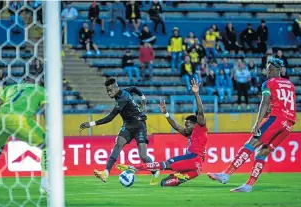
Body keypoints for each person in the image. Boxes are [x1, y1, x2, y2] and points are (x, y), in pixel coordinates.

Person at [208, 57, 296, 192]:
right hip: (288, 123)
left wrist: (257, 123)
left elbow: (265, 103)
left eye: (267, 69)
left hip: (276, 118)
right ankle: (249, 185)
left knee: (250, 144)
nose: (266, 72)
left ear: (271, 69)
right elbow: (284, 105)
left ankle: (226, 174)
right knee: (263, 152)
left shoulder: (268, 83)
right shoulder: (290, 85)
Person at [117, 79, 208, 187]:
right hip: (195, 168)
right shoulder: (190, 134)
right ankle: (183, 177)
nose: (185, 127)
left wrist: (196, 94)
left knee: (165, 164)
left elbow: (201, 112)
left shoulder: (200, 128)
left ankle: (134, 167)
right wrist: (166, 113)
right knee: (164, 183)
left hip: (193, 159)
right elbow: (176, 127)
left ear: (195, 124)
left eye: (187, 125)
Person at [79, 78, 160, 185]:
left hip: (139, 125)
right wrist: (143, 97)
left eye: (111, 90)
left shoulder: (122, 100)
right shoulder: (124, 91)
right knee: (118, 145)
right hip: (127, 125)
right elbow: (134, 88)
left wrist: (90, 124)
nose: (109, 93)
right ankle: (106, 173)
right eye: (107, 91)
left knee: (143, 156)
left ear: (116, 88)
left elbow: (109, 118)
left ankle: (155, 171)